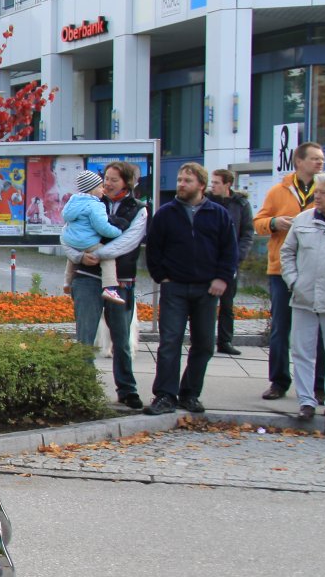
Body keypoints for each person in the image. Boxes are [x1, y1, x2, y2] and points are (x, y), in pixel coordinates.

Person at [143, 162, 237, 415]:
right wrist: (161, 276)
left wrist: (222, 278)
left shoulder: (218, 214)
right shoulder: (166, 213)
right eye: (180, 180)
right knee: (170, 341)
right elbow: (153, 248)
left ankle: (190, 393)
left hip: (207, 288)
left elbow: (229, 250)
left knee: (204, 343)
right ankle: (165, 394)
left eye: (187, 181)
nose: (181, 184)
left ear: (201, 185)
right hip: (175, 287)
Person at [66, 161, 148, 410]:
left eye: (114, 179)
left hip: (120, 281)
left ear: (127, 182)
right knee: (85, 337)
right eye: (106, 179)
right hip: (86, 277)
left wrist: (98, 254)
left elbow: (128, 242)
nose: (108, 184)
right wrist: (80, 257)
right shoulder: (88, 201)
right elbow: (68, 236)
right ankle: (85, 389)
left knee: (121, 338)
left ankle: (127, 389)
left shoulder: (138, 209)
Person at [254, 141, 325, 400]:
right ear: (299, 161)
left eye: (322, 159)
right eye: (315, 158)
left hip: (317, 271)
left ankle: (320, 385)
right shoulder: (279, 191)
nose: (320, 162)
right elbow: (258, 222)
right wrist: (275, 222)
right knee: (280, 327)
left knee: (322, 330)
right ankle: (279, 381)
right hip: (281, 269)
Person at [280, 171, 325, 421]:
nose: (317, 197)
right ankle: (306, 401)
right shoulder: (303, 220)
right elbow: (287, 253)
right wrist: (294, 281)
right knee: (302, 351)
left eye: (323, 193)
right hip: (304, 297)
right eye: (316, 192)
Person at [59, 169, 125, 303]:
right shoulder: (95, 205)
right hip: (88, 242)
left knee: (71, 259)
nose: (103, 190)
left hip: (71, 240)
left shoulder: (73, 201)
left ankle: (67, 282)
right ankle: (109, 288)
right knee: (108, 256)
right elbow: (102, 227)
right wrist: (118, 232)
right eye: (100, 187)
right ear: (91, 190)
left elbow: (66, 217)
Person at [209, 168, 254, 356]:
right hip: (208, 260)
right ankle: (203, 339)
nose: (212, 186)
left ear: (227, 184)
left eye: (216, 183)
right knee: (205, 304)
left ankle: (225, 341)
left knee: (227, 304)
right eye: (212, 182)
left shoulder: (241, 204)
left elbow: (247, 233)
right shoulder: (207, 201)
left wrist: (238, 257)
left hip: (229, 261)